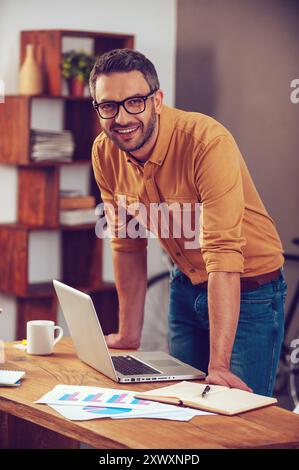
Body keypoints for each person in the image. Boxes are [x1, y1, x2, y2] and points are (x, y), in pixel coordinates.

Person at [89, 48, 287, 396]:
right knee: (183, 408)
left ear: (157, 101)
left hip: (248, 289)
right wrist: (128, 333)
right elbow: (126, 242)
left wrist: (219, 364)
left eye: (135, 101)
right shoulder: (104, 153)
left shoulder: (206, 142)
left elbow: (223, 252)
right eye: (108, 105)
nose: (121, 117)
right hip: (184, 285)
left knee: (235, 417)